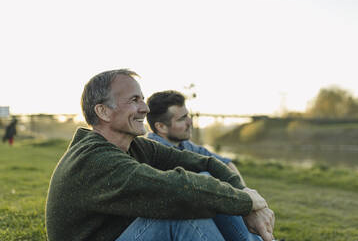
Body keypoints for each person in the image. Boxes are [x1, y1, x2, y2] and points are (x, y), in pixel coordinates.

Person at [45, 69, 275, 241]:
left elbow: (205, 163)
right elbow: (176, 189)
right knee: (181, 212)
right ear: (103, 111)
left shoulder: (135, 147)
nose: (145, 108)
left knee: (203, 179)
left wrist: (245, 193)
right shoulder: (95, 159)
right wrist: (246, 202)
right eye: (134, 100)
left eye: (142, 99)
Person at [146, 90, 245, 184]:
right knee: (205, 176)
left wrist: (246, 192)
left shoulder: (185, 145)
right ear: (161, 127)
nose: (190, 122)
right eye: (182, 119)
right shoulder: (151, 153)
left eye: (187, 116)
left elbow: (226, 164)